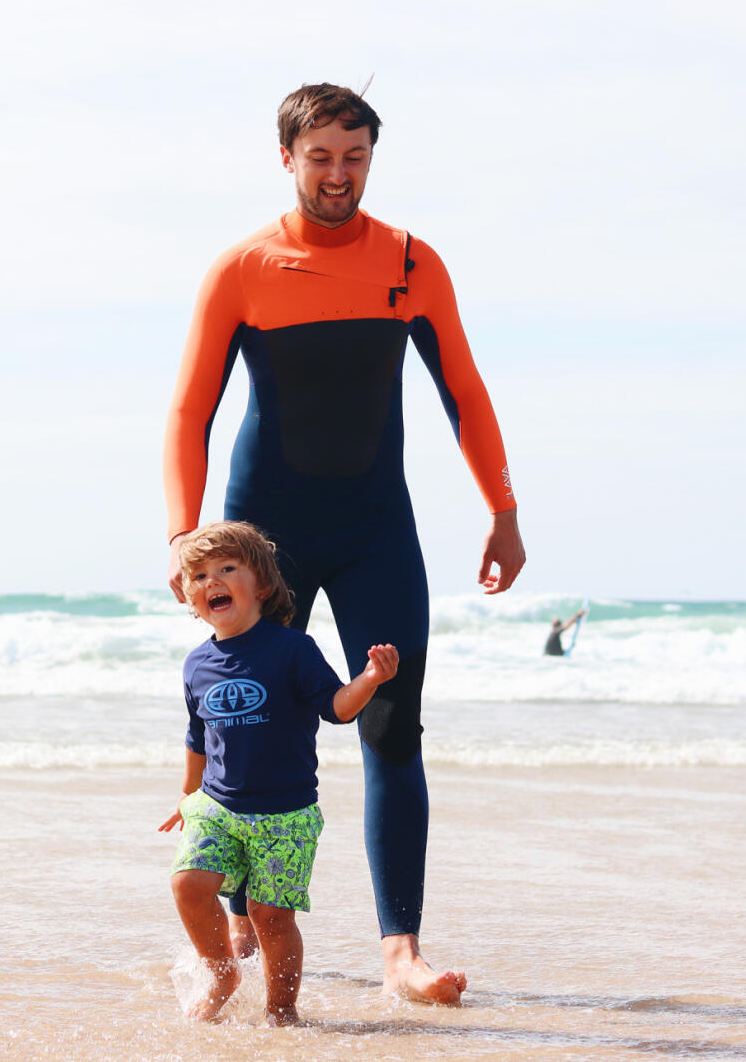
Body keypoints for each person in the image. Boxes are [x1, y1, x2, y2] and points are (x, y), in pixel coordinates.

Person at [163, 82, 525, 1004]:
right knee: (249, 715)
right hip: (262, 534)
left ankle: (400, 949)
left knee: (392, 722)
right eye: (319, 156)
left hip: (374, 529)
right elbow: (190, 409)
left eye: (354, 156)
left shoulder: (411, 261)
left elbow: (465, 394)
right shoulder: (242, 267)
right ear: (286, 158)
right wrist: (185, 539)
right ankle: (244, 913)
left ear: (371, 158)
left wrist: (503, 508)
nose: (337, 174)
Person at [159, 521, 399, 1025]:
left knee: (271, 917)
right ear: (190, 596)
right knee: (187, 884)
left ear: (261, 585)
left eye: (227, 569)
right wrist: (185, 796)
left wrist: (370, 679)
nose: (211, 581)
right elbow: (198, 736)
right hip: (218, 806)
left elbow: (337, 708)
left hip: (285, 815)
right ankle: (222, 971)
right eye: (199, 575)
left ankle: (282, 1010)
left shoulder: (292, 649)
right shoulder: (196, 664)